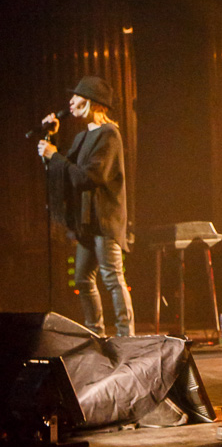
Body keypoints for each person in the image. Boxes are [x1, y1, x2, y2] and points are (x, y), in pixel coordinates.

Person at [38, 76, 135, 337]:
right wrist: (52, 137)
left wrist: (53, 154)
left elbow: (88, 177)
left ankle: (127, 337)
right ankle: (96, 334)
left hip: (104, 220)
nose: (71, 101)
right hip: (87, 223)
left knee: (113, 279)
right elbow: (64, 170)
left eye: (77, 97)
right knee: (82, 279)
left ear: (93, 103)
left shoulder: (109, 135)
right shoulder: (83, 137)